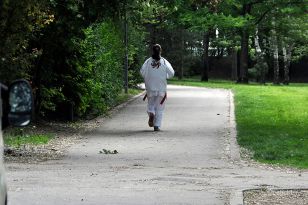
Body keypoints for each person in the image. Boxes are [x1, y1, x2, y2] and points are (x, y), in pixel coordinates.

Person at [140, 44, 175, 131]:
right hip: (161, 87)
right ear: (160, 51)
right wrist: (165, 76)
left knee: (151, 104)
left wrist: (148, 77)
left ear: (152, 51)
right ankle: (156, 126)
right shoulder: (164, 61)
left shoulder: (148, 61)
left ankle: (151, 112)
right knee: (160, 107)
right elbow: (171, 73)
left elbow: (142, 72)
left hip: (150, 87)